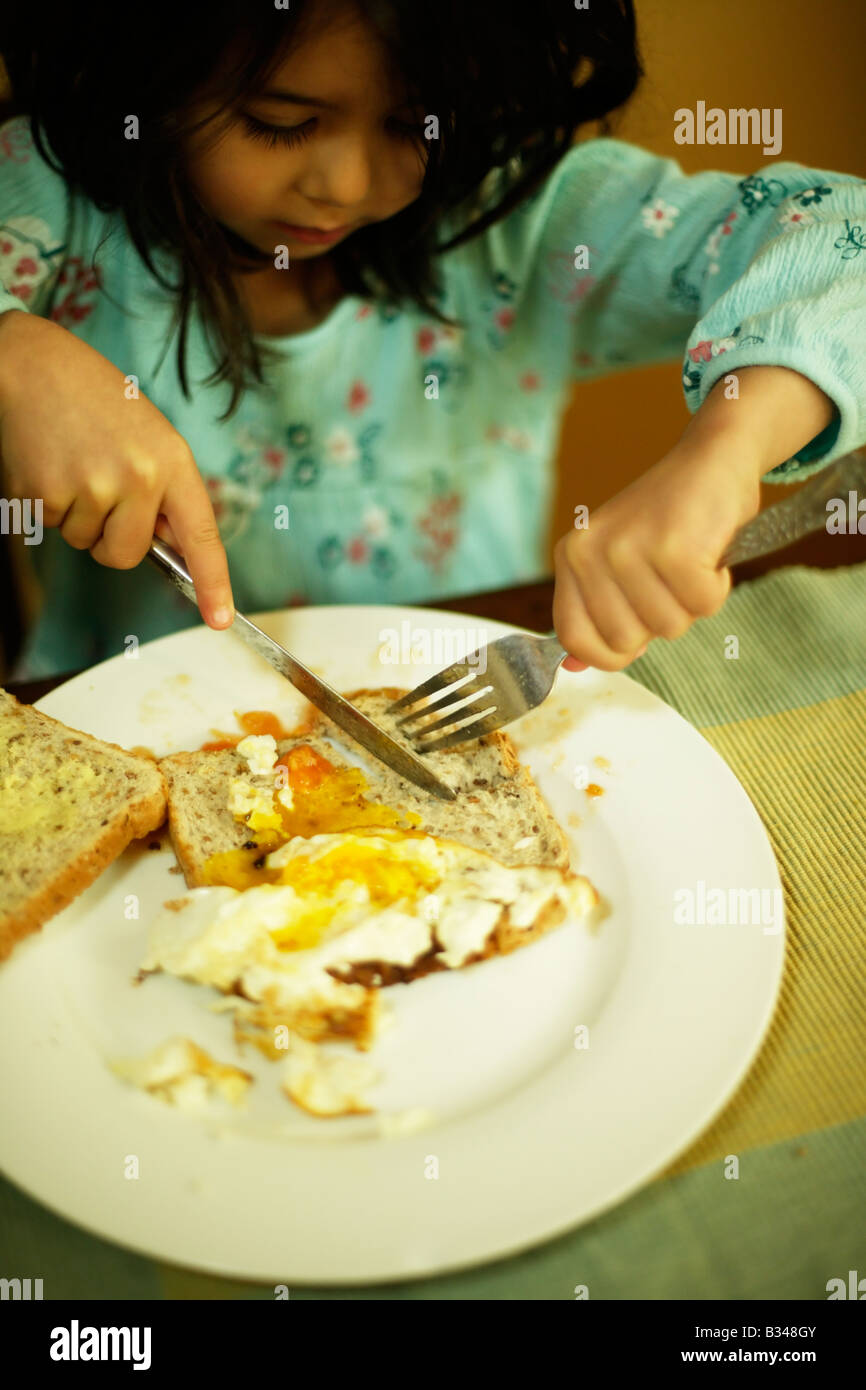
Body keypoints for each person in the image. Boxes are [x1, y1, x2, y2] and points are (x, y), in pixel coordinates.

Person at [0, 0, 860, 679]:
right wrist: (16, 354)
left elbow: (844, 239)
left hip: (464, 689)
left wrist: (727, 450)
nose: (344, 185)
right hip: (116, 708)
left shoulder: (529, 222)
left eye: (414, 125)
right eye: (281, 121)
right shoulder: (51, 203)